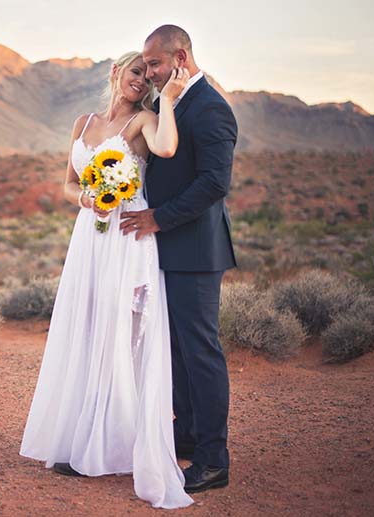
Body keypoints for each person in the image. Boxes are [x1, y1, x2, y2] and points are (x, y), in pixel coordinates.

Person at [19, 50, 195, 509]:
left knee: (119, 335)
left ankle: (108, 446)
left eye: (148, 77)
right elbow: (69, 183)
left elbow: (167, 149)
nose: (141, 81)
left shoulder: (143, 122)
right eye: (135, 72)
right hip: (90, 237)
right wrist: (87, 201)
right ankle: (79, 437)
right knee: (87, 329)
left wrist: (169, 100)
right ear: (117, 72)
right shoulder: (83, 122)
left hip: (125, 239)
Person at [120, 24, 238, 494]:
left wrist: (157, 219)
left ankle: (213, 459)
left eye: (154, 64)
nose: (148, 73)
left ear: (181, 57)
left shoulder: (211, 109)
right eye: (144, 66)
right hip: (164, 250)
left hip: (194, 252)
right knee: (175, 352)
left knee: (201, 353)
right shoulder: (167, 104)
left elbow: (214, 184)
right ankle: (186, 434)